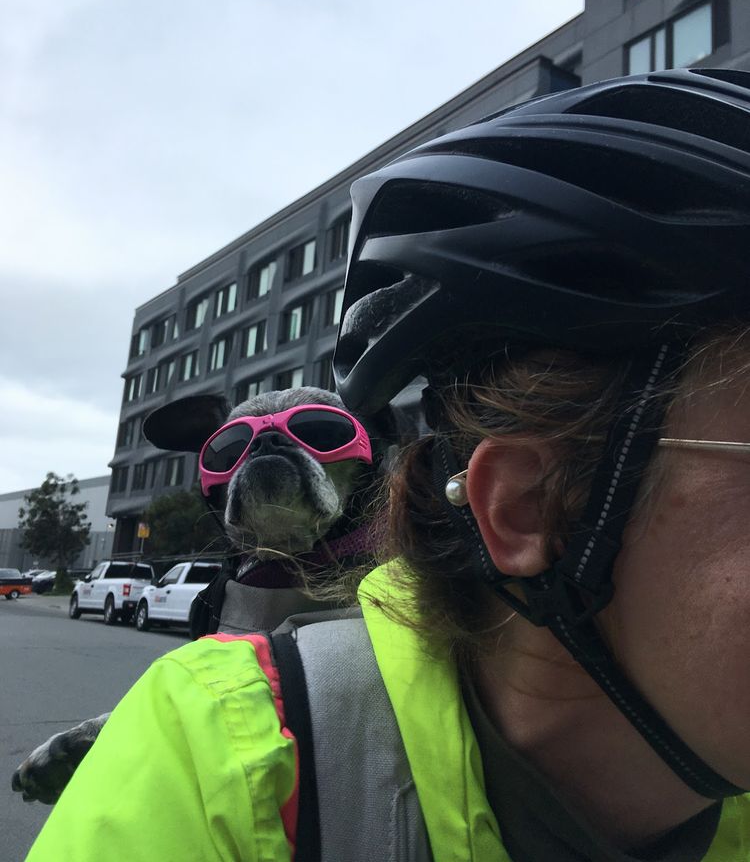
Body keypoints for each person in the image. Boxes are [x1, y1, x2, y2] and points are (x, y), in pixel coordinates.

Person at [24, 68, 750, 861]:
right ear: (524, 505)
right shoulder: (219, 757)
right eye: (233, 449)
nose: (270, 454)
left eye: (318, 433)